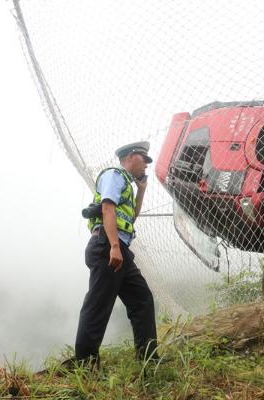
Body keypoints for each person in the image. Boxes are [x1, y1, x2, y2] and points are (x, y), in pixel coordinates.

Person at [74, 141, 158, 366]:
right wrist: (113, 246)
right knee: (99, 305)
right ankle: (85, 364)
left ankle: (149, 358)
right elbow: (107, 207)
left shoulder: (129, 185)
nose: (146, 166)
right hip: (107, 247)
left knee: (142, 300)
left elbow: (132, 216)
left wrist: (141, 190)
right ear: (131, 156)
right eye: (144, 159)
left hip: (119, 249)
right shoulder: (114, 175)